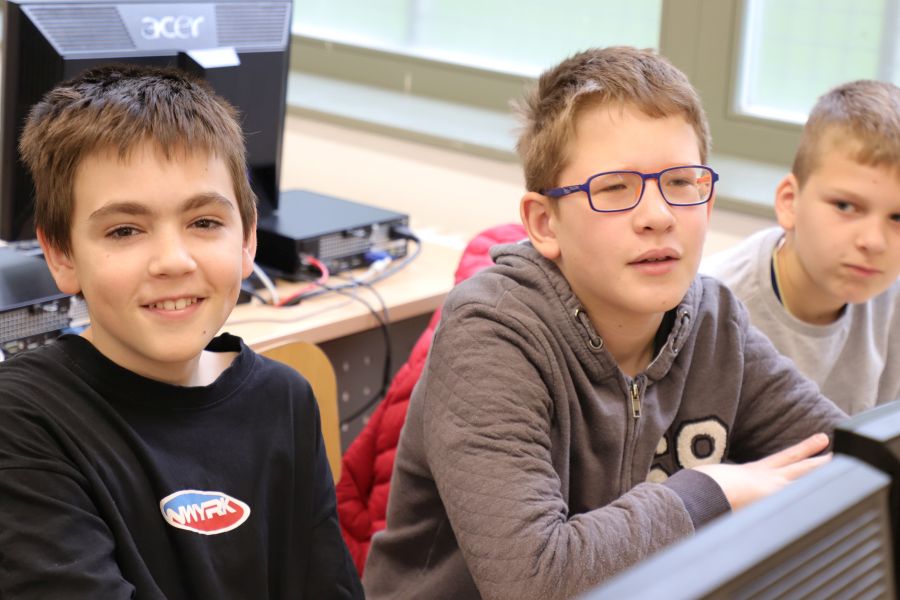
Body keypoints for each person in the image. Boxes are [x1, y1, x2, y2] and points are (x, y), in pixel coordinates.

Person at [362, 46, 847, 600]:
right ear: (545, 223)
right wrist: (710, 491)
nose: (658, 216)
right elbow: (534, 581)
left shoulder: (715, 321)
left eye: (681, 183)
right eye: (615, 188)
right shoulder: (491, 333)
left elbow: (854, 455)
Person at [0, 64, 362, 599]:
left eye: (204, 223)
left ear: (248, 239)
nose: (173, 260)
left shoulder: (285, 401)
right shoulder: (23, 419)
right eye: (125, 230)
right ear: (61, 255)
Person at [702, 80, 900, 414]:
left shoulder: (892, 301)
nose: (873, 241)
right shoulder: (711, 311)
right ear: (789, 202)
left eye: (898, 217)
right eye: (846, 206)